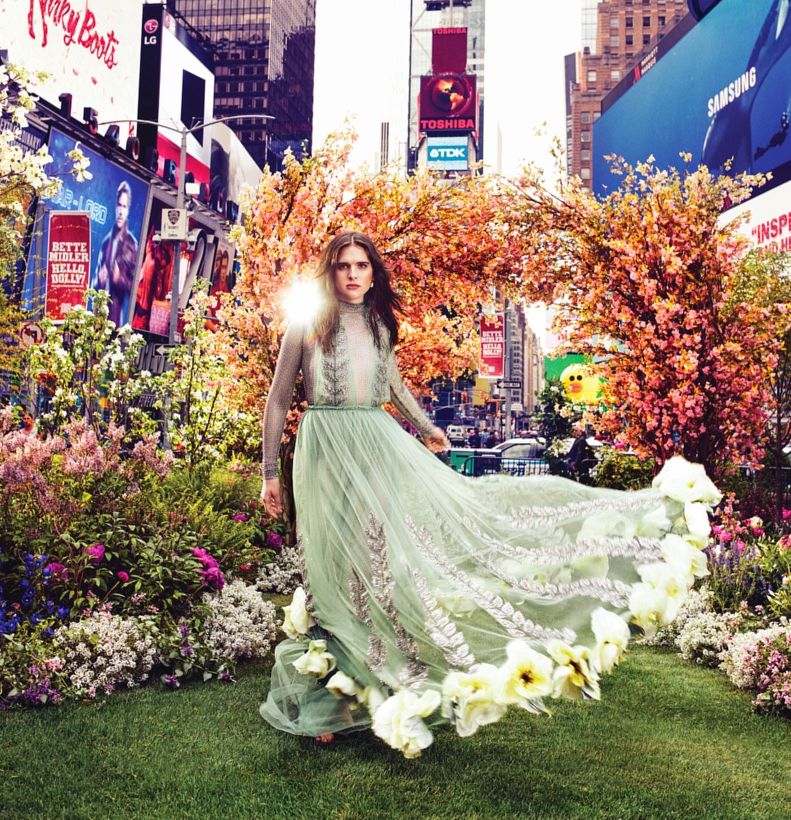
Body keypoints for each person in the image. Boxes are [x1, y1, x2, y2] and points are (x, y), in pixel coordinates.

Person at [259, 231, 717, 758]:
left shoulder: (382, 325)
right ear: (330, 271)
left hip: (375, 446)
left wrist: (428, 427)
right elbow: (276, 401)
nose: (354, 275)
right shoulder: (309, 323)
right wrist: (271, 471)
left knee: (373, 562)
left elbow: (393, 386)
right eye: (343, 266)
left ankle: (367, 690)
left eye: (362, 265)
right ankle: (325, 700)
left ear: (373, 272)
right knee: (327, 566)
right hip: (324, 447)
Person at [92, 181, 138, 327]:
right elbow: (93, 281)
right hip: (96, 316)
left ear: (128, 209)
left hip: (114, 319)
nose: (120, 211)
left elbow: (134, 288)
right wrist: (99, 279)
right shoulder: (107, 242)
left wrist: (119, 279)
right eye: (119, 205)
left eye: (124, 207)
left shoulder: (131, 244)